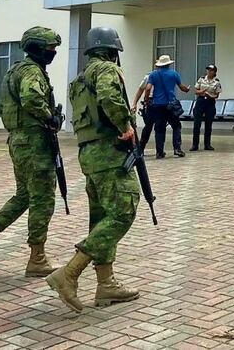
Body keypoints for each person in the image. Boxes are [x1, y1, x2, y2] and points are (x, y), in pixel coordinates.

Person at [46, 26, 139, 312]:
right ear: (112, 50)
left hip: (89, 154)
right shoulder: (107, 70)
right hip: (110, 153)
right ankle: (69, 273)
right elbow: (111, 99)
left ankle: (106, 283)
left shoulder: (78, 80)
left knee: (101, 217)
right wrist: (125, 126)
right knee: (124, 210)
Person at [0, 26, 62, 279]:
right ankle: (37, 258)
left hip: (20, 141)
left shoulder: (15, 69)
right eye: (50, 48)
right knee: (42, 199)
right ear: (38, 48)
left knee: (24, 196)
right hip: (33, 142)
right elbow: (31, 99)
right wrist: (51, 117)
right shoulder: (30, 72)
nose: (53, 52)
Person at [143, 55, 190, 158]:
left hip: (157, 105)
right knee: (176, 126)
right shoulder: (174, 74)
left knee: (159, 129)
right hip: (171, 105)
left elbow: (148, 88)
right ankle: (177, 149)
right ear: (169, 64)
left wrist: (146, 100)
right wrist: (187, 89)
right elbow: (182, 87)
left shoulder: (153, 74)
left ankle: (159, 152)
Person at [191, 64, 222, 151]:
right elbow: (196, 91)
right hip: (200, 101)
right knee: (197, 123)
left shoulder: (217, 82)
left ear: (214, 72)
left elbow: (217, 95)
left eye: (211, 70)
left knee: (208, 124)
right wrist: (202, 91)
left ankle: (207, 144)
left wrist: (210, 96)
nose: (209, 71)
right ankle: (195, 145)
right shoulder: (201, 79)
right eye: (208, 70)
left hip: (210, 102)